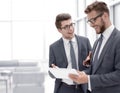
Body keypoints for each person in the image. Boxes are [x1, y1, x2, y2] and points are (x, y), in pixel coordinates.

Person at [69, 1, 120, 93]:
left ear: (105, 16)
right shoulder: (97, 42)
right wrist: (83, 74)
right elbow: (95, 70)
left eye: (93, 20)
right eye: (89, 21)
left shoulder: (118, 39)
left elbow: (118, 75)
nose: (91, 25)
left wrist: (88, 79)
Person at [49, 13, 91, 93]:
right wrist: (54, 71)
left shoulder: (85, 42)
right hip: (64, 88)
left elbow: (93, 65)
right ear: (59, 30)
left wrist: (83, 73)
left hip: (84, 88)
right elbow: (51, 71)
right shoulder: (53, 47)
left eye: (71, 24)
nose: (71, 28)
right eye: (66, 27)